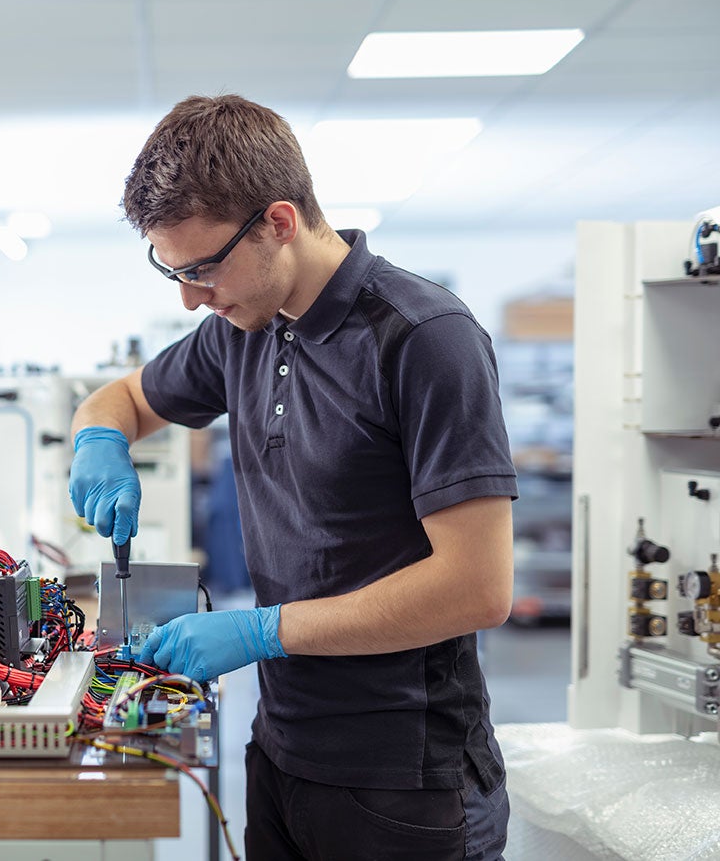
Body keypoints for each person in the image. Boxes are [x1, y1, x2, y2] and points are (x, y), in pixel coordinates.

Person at [68, 94, 516, 861]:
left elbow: (478, 588)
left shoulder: (423, 340)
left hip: (403, 778)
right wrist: (99, 441)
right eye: (172, 271)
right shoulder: (243, 329)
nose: (190, 297)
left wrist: (261, 630)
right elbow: (121, 399)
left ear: (279, 221)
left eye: (204, 268)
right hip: (279, 751)